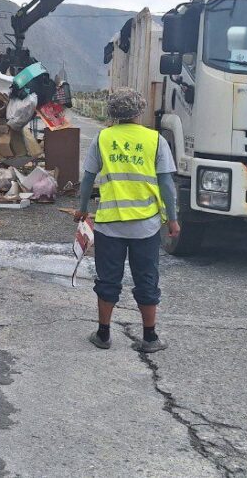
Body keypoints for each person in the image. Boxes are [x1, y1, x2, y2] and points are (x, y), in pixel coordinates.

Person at [74, 88, 179, 353]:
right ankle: (150, 337)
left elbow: (87, 179)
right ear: (139, 111)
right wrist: (173, 219)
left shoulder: (103, 138)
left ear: (113, 112)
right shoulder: (155, 140)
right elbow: (166, 184)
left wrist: (82, 209)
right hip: (146, 225)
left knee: (108, 279)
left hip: (110, 223)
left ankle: (103, 334)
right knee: (146, 279)